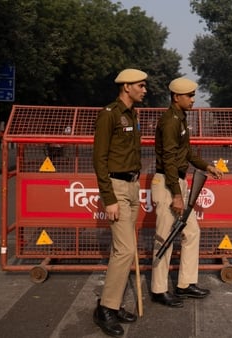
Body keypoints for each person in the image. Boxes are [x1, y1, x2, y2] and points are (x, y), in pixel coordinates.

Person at [150, 77, 224, 307]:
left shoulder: (180, 119)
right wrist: (177, 194)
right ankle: (159, 289)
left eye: (193, 95)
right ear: (176, 97)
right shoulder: (170, 122)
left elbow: (188, 153)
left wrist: (207, 166)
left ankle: (185, 284)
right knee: (165, 238)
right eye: (189, 96)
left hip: (177, 183)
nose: (193, 100)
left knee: (191, 232)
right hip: (167, 184)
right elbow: (170, 160)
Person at [92, 68, 147, 337]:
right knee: (125, 250)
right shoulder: (108, 115)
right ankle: (105, 309)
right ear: (126, 87)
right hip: (116, 187)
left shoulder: (132, 114)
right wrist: (108, 198)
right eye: (140, 85)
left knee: (124, 249)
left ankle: (112, 305)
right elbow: (99, 159)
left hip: (133, 185)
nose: (144, 89)